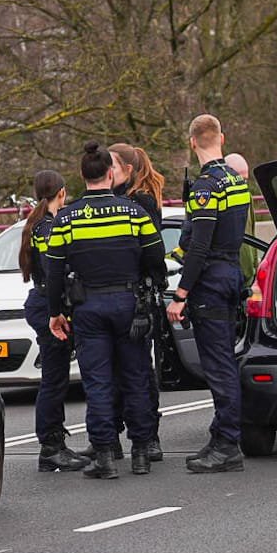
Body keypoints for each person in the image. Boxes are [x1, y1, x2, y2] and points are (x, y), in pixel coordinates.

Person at [46, 142, 165, 478]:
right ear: (110, 173)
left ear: (83, 176)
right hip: (129, 304)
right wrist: (148, 286)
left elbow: (54, 270)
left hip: (88, 307)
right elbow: (155, 256)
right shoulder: (133, 213)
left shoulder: (67, 218)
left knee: (98, 382)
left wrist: (55, 312)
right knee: (136, 377)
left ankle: (105, 456)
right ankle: (141, 451)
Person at [167, 114, 251, 473]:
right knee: (224, 362)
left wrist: (181, 293)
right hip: (230, 273)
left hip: (211, 282)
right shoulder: (236, 180)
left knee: (218, 366)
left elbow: (199, 246)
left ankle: (228, 443)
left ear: (192, 143)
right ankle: (220, 436)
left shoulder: (206, 187)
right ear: (222, 138)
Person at [19, 169, 88, 472]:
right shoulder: (48, 226)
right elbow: (53, 270)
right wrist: (56, 312)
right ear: (61, 193)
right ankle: (50, 446)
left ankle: (55, 441)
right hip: (49, 305)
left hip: (44, 302)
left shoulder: (37, 223)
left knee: (56, 377)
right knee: (54, 380)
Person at [109, 143, 167, 463]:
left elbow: (150, 251)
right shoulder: (119, 199)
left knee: (140, 371)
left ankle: (149, 436)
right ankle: (115, 433)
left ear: (127, 170)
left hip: (137, 296)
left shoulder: (139, 202)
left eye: (112, 166)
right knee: (117, 371)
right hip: (123, 295)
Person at [224, 152, 260, 281]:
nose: (243, 184)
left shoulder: (246, 197)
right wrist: (248, 273)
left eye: (245, 180)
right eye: (240, 179)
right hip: (234, 275)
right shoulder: (224, 200)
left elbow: (251, 234)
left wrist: (256, 266)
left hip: (247, 274)